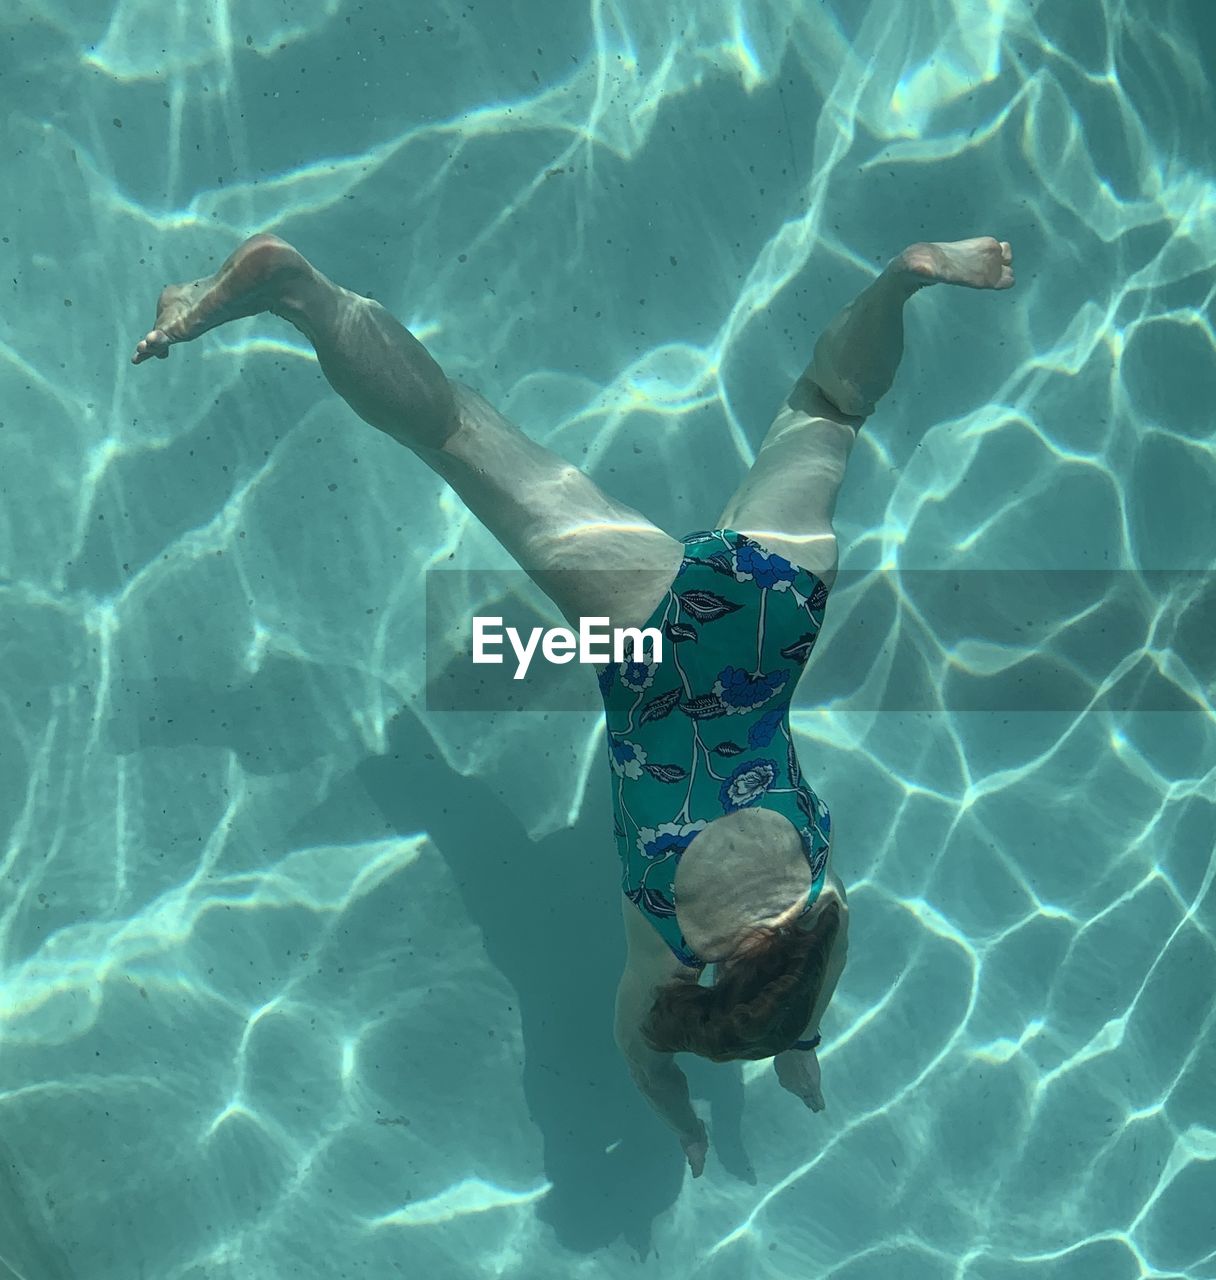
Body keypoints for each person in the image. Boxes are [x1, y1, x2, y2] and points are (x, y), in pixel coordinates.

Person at [132, 230, 1014, 1177]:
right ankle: (296, 292)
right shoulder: (663, 957)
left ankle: (903, 279)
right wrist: (686, 1124)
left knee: (829, 406)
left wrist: (797, 1044)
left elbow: (801, 983)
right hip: (650, 644)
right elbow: (644, 1058)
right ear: (713, 991)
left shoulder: (824, 900)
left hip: (770, 616)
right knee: (454, 433)